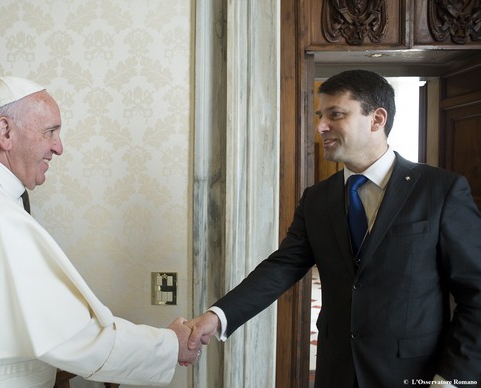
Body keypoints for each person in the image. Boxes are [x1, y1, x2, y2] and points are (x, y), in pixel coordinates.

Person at [185, 70, 481, 387]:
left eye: (335, 115)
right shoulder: (317, 199)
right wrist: (216, 317)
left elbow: (476, 293)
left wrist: (451, 379)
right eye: (320, 115)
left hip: (415, 372)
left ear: (377, 119)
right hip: (335, 370)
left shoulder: (440, 190)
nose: (320, 127)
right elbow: (282, 266)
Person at [0, 76, 199, 387]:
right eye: (50, 132)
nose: (58, 147)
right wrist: (170, 344)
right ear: (4, 132)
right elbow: (76, 338)